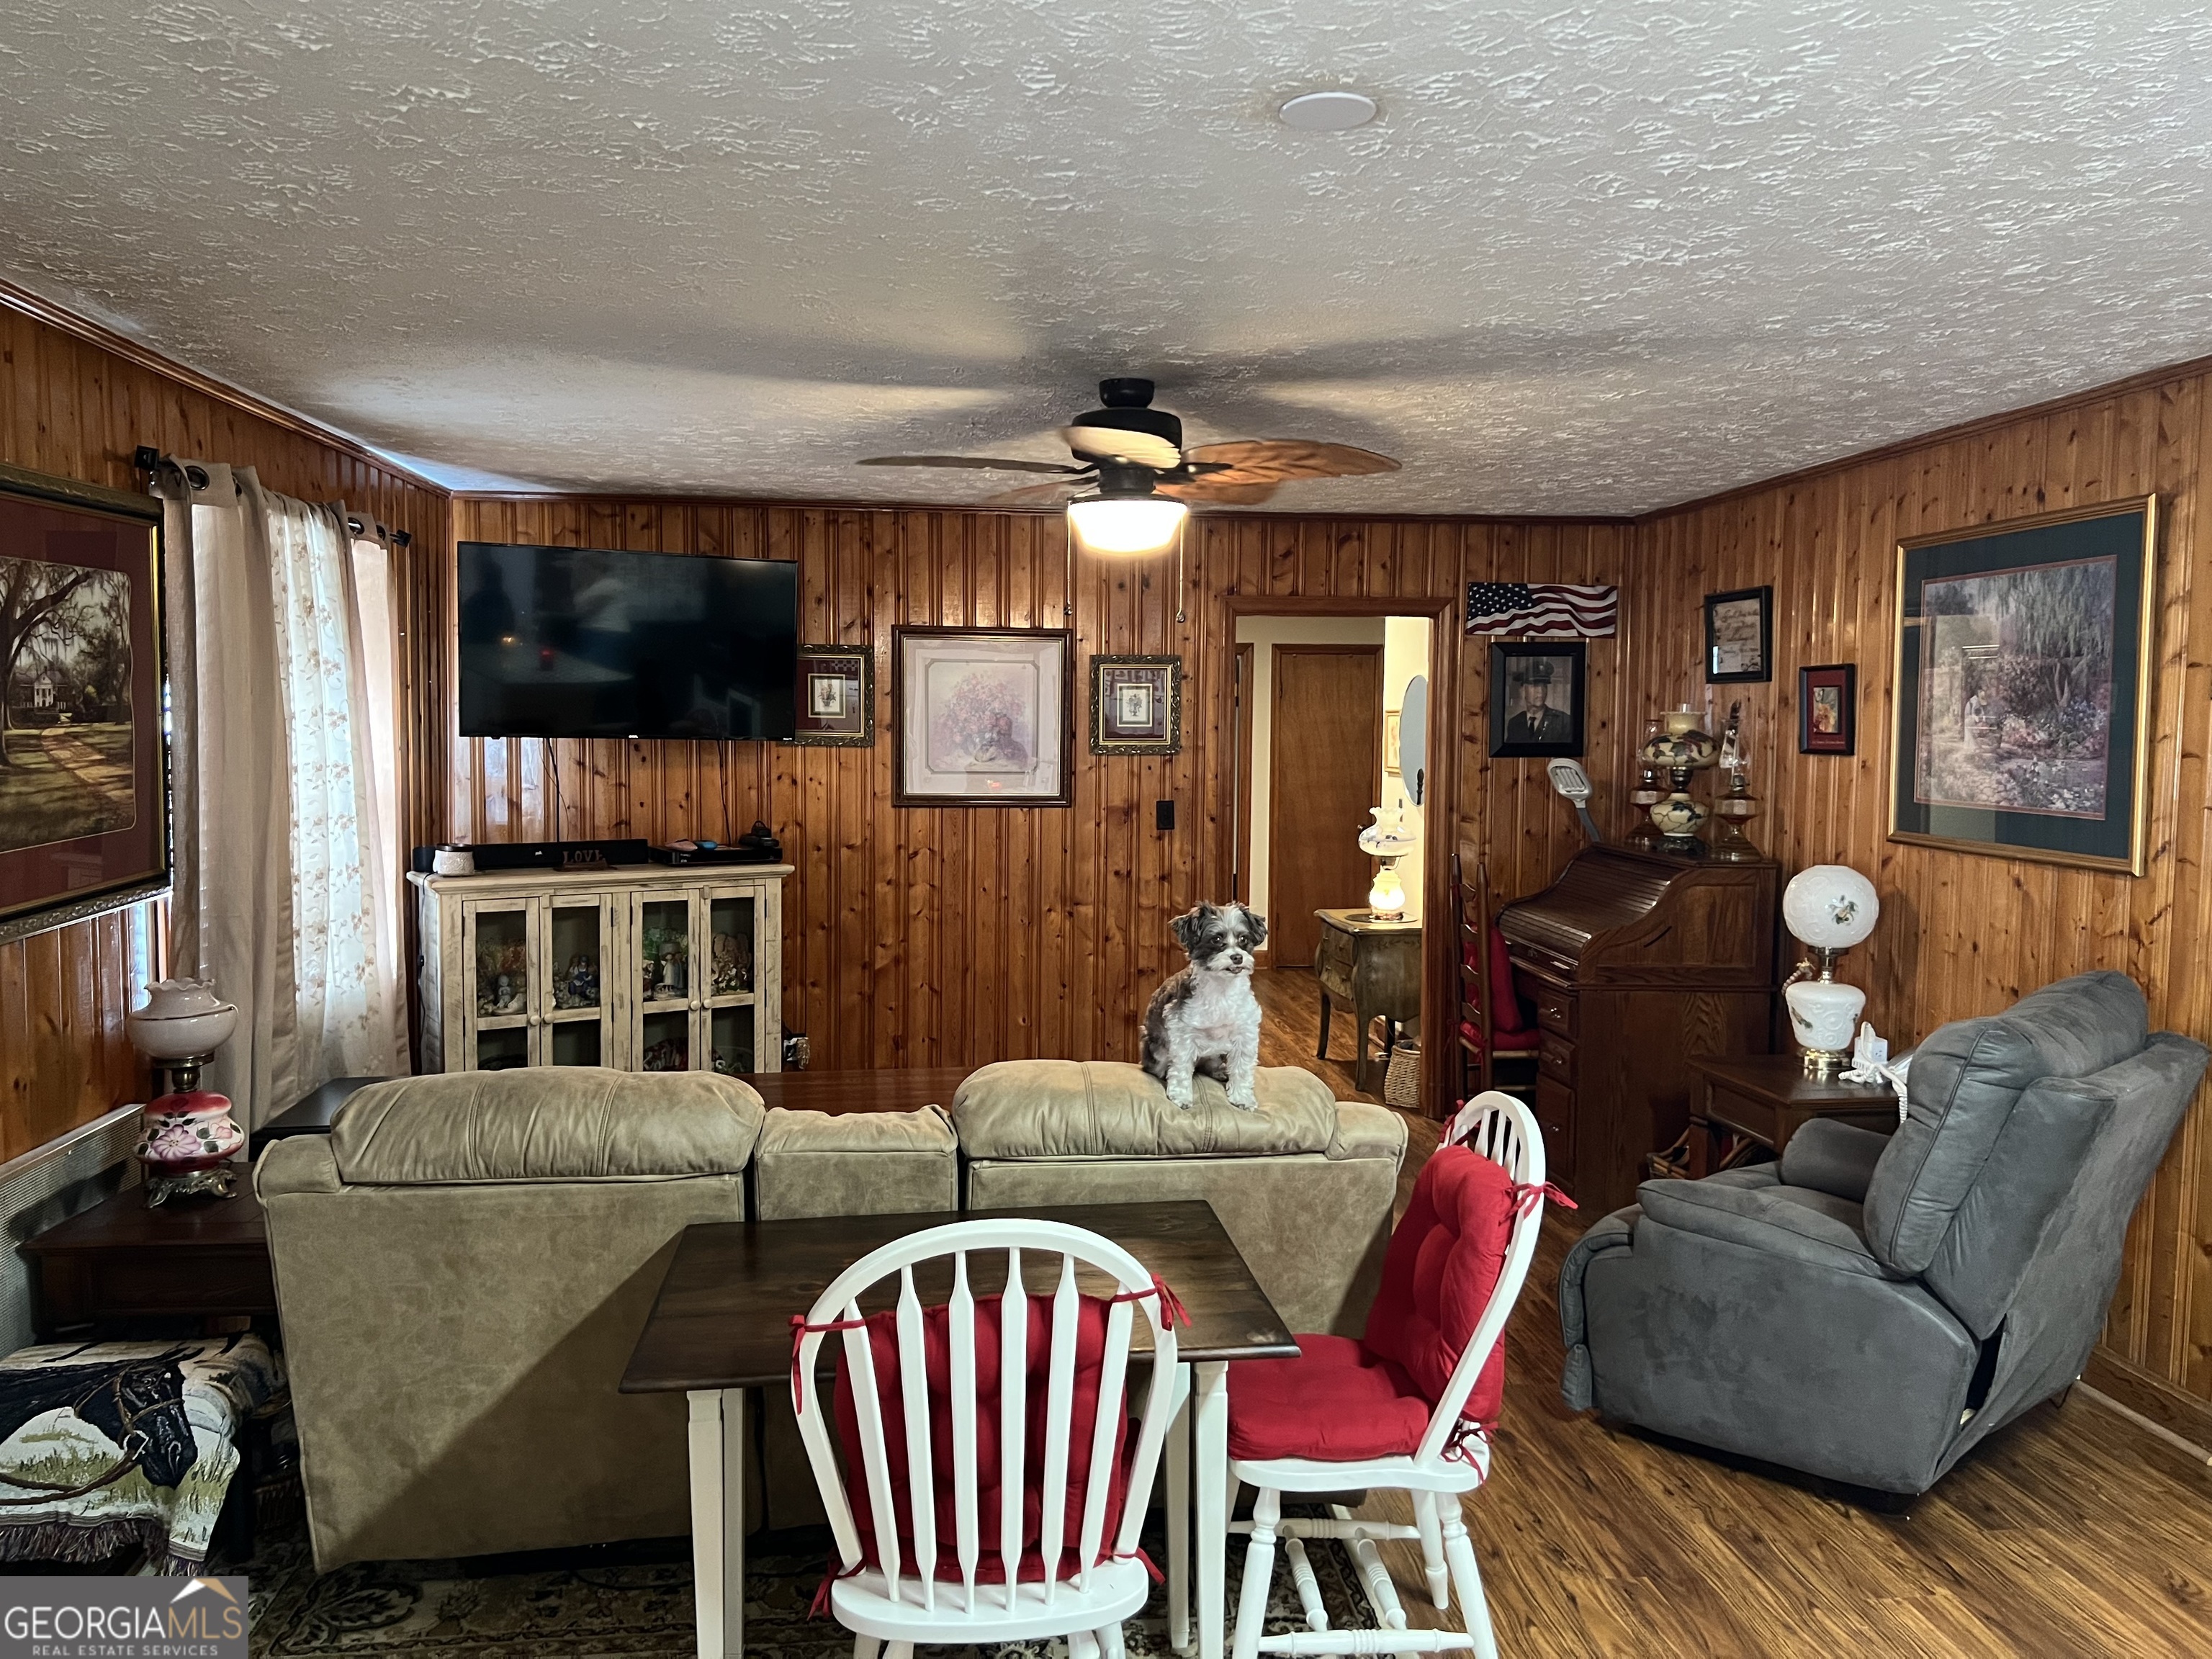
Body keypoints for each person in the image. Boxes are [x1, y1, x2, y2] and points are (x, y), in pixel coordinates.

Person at [1503, 662, 1570, 745]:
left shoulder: (1563, 722)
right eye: (1535, 686)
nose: (1541, 692)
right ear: (1523, 690)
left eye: (1544, 686)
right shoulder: (1515, 723)